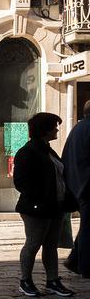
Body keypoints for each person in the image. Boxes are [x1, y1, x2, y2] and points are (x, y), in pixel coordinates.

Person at [14, 111, 76, 297]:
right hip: (37, 208)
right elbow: (21, 182)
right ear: (44, 129)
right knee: (33, 243)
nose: (57, 129)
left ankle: (52, 280)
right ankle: (25, 280)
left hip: (55, 206)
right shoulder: (28, 151)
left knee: (50, 245)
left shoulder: (48, 150)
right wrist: (40, 199)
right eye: (54, 125)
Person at [63, 100, 90, 278]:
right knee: (89, 229)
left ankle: (73, 260)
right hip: (87, 187)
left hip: (79, 185)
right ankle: (87, 267)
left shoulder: (77, 128)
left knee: (87, 226)